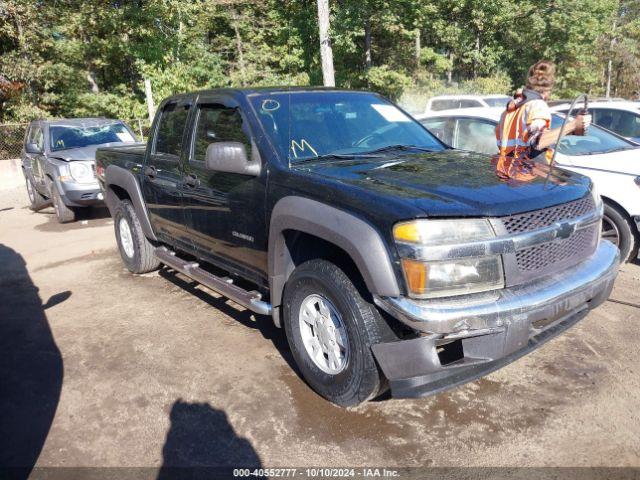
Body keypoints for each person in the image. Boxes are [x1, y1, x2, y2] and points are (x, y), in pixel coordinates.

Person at [496, 60, 591, 165]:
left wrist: (572, 131)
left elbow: (524, 140)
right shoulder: (537, 106)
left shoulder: (509, 111)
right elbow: (539, 141)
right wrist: (573, 125)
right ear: (548, 90)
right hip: (527, 177)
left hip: (508, 175)